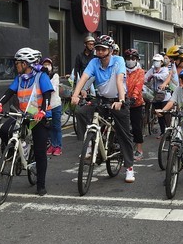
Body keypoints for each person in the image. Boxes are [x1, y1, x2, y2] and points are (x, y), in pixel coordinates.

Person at [71, 35, 136, 183]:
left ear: (111, 51)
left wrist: (121, 100)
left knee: (124, 135)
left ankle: (129, 168)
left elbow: (119, 80)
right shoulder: (94, 62)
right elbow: (84, 78)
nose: (99, 52)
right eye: (97, 49)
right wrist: (75, 95)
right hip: (101, 99)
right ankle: (88, 144)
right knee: (80, 112)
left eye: (103, 49)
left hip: (117, 100)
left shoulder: (118, 61)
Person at [0, 47, 53, 196]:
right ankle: (13, 154)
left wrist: (42, 112)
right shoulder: (19, 78)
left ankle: (41, 184)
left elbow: (47, 95)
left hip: (40, 116)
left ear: (26, 64)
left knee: (40, 151)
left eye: (18, 62)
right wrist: (0, 103)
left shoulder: (41, 76)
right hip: (24, 114)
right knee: (4, 129)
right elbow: (9, 92)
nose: (16, 65)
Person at [124, 48, 145, 160]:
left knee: (136, 127)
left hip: (136, 103)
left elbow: (139, 85)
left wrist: (134, 97)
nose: (130, 60)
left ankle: (139, 149)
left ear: (136, 60)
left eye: (133, 58)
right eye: (128, 58)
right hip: (123, 101)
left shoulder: (140, 72)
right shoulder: (122, 70)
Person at [145, 54, 170, 138]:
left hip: (165, 96)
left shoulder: (165, 69)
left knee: (166, 115)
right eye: (155, 61)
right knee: (159, 115)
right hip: (155, 96)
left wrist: (154, 75)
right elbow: (145, 78)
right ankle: (163, 132)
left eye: (158, 61)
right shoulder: (151, 70)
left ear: (162, 62)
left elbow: (164, 77)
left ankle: (169, 132)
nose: (156, 63)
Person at [42, 58, 63, 156]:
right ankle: (52, 145)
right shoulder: (42, 76)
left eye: (48, 64)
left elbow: (52, 89)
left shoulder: (55, 76)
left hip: (55, 105)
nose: (47, 66)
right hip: (47, 106)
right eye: (44, 64)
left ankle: (58, 146)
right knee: (49, 127)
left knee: (56, 126)